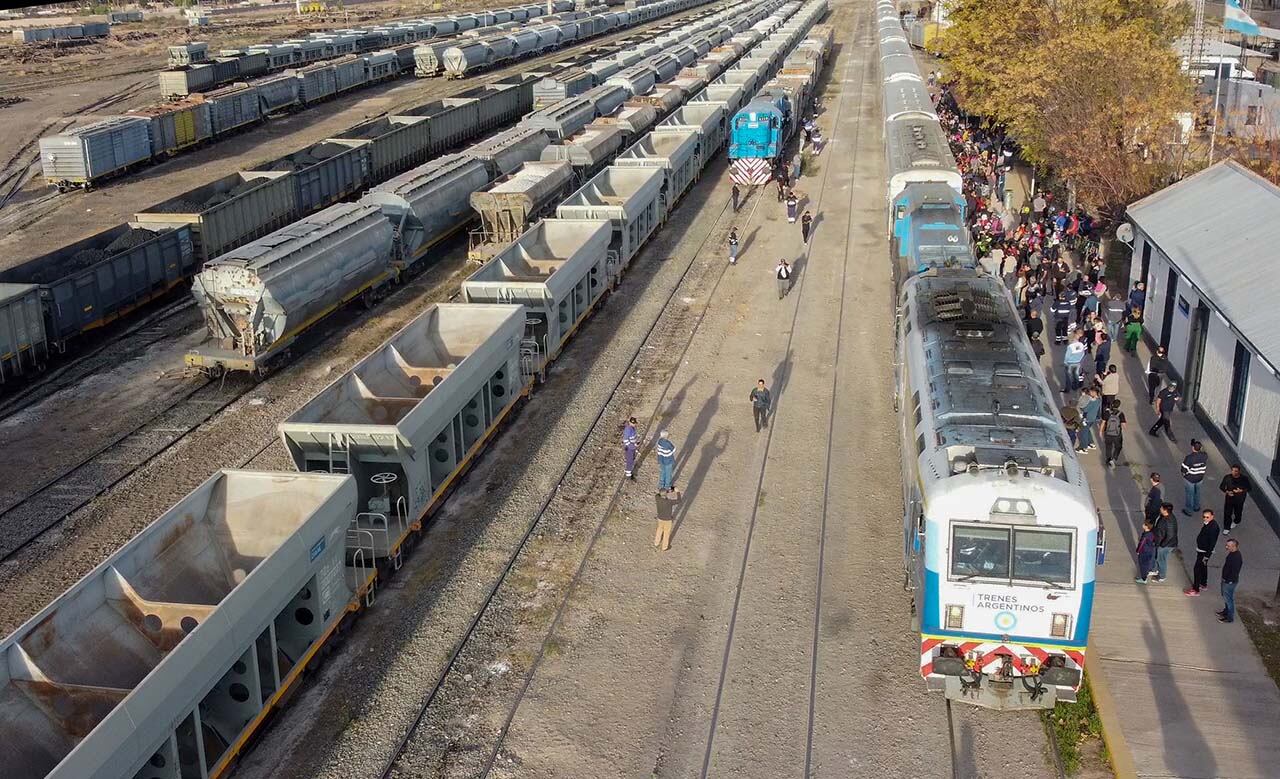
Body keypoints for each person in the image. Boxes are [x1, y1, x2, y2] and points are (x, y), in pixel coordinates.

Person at [1185, 509, 1220, 596]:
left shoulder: (1213, 527)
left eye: (1207, 517)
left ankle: (1195, 589)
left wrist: (1207, 556)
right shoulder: (1210, 524)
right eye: (1204, 517)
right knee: (1203, 567)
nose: (1205, 518)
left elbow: (1212, 542)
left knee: (1197, 569)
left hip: (1204, 552)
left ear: (1212, 516)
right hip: (1203, 550)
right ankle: (1203, 584)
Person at [1219, 464, 1252, 534]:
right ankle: (1226, 527)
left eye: (1236, 471)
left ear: (1239, 471)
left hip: (1239, 499)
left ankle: (1237, 521)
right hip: (1229, 498)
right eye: (1233, 470)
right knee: (1227, 513)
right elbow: (1221, 487)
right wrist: (1227, 492)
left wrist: (1241, 490)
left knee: (1238, 512)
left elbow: (1249, 488)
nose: (1234, 472)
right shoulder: (1227, 477)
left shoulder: (1244, 479)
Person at [1180, 439, 1208, 515]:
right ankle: (1196, 507)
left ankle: (1189, 510)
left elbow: (1183, 469)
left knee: (1190, 494)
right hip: (1200, 478)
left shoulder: (1189, 458)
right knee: (1197, 492)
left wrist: (1184, 475)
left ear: (1193, 448)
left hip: (1190, 479)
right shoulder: (1205, 455)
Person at [1218, 539, 1242, 622]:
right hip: (1227, 580)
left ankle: (1229, 618)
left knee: (1229, 599)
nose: (1226, 547)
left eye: (1228, 546)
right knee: (1226, 597)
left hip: (1229, 582)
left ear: (1234, 546)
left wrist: (1228, 581)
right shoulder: (1232, 554)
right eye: (1227, 545)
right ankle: (1226, 611)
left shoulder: (1236, 557)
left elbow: (1234, 571)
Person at [1153, 502, 1178, 582]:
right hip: (1165, 543)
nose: (1160, 509)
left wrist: (1162, 545)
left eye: (1161, 508)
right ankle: (1158, 570)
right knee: (1161, 559)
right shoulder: (1166, 517)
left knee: (1161, 560)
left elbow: (1170, 535)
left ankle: (1161, 576)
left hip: (1166, 545)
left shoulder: (1168, 521)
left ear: (1165, 510)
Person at [1102, 399, 1126, 467]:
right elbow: (1124, 425)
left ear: (1112, 404)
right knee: (1118, 446)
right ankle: (1114, 458)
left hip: (1108, 433)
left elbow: (1103, 423)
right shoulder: (1120, 414)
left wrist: (1101, 431)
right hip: (1117, 434)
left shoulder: (1107, 413)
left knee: (1108, 446)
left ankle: (1108, 459)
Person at [1079, 387, 1102, 452]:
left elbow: (1085, 409)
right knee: (1087, 430)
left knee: (1084, 432)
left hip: (1087, 418)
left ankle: (1084, 447)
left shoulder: (1092, 402)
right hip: (1093, 418)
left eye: (1091, 392)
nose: (1090, 393)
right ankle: (1091, 443)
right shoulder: (1098, 400)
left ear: (1094, 392)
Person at [1135, 520, 1157, 584]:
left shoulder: (1145, 535)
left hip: (1144, 551)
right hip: (1149, 550)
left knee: (1143, 565)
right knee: (1146, 563)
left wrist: (1138, 551)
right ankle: (1147, 573)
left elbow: (1141, 544)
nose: (1143, 525)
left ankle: (1144, 579)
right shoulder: (1151, 533)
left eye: (1144, 524)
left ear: (1146, 527)